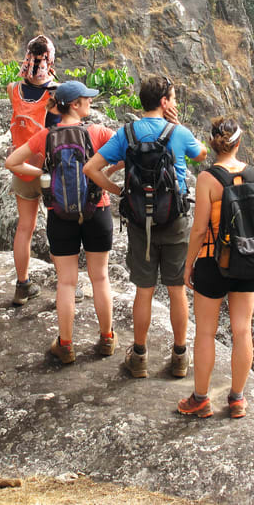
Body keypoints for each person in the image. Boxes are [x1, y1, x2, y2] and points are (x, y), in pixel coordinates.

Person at [84, 75, 208, 378]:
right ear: (164, 102)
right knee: (177, 290)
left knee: (145, 290)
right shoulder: (178, 132)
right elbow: (203, 154)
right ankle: (179, 357)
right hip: (175, 221)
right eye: (174, 98)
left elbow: (91, 169)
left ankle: (139, 356)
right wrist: (176, 123)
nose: (175, 103)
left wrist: (119, 193)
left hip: (140, 223)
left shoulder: (127, 133)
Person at [6, 81, 121, 362]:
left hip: (60, 214)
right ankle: (107, 339)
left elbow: (12, 162)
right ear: (75, 105)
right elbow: (128, 152)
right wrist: (103, 171)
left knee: (67, 282)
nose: (90, 103)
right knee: (100, 277)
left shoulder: (46, 136)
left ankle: (66, 345)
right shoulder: (98, 132)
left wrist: (45, 172)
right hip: (97, 210)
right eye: (86, 99)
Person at [178, 117, 254, 419]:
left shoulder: (207, 179)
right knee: (242, 329)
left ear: (214, 143)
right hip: (248, 261)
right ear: (239, 143)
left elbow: (198, 229)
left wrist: (188, 264)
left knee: (205, 332)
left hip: (212, 262)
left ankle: (201, 399)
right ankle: (237, 399)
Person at [7, 35, 59, 306]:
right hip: (51, 170)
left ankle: (22, 285)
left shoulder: (12, 88)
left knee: (25, 227)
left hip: (22, 166)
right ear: (50, 60)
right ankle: (66, 286)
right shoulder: (56, 94)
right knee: (57, 228)